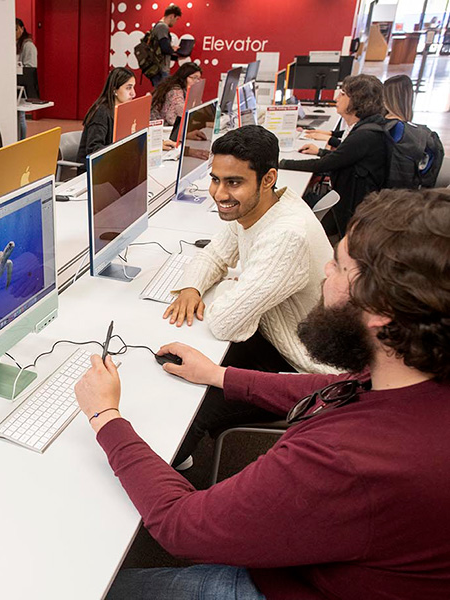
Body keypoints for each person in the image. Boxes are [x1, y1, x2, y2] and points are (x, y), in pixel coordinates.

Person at [74, 187, 450, 599]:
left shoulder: (351, 457)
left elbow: (181, 527)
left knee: (79, 587)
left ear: (382, 312)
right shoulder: (417, 374)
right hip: (327, 557)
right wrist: (218, 375)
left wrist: (105, 416)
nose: (325, 270)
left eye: (340, 267)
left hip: (288, 586)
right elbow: (334, 389)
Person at [163, 126, 335, 469]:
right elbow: (214, 255)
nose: (219, 193)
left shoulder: (286, 235)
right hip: (272, 337)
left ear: (268, 178)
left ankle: (166, 474)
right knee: (173, 360)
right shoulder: (257, 206)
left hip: (301, 366)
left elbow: (227, 323)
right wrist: (192, 288)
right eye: (216, 179)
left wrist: (236, 282)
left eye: (233, 182)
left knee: (187, 407)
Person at [281, 74, 389, 234]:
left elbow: (324, 164)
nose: (336, 98)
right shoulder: (365, 126)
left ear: (358, 100)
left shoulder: (365, 135)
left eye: (343, 94)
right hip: (350, 201)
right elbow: (344, 156)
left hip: (352, 211)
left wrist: (281, 162)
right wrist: (320, 151)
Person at [75, 67, 135, 170]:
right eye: (128, 88)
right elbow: (94, 149)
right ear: (114, 90)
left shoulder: (122, 110)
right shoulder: (101, 113)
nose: (133, 93)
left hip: (112, 166)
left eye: (133, 87)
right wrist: (121, 152)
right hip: (94, 171)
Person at [16, 17, 38, 140]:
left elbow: (31, 68)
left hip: (22, 86)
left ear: (22, 29)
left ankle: (21, 141)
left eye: (16, 29)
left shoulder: (28, 46)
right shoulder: (12, 44)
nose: (13, 33)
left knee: (20, 116)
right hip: (13, 85)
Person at [149, 4, 182, 87]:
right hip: (161, 68)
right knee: (162, 94)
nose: (176, 22)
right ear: (171, 16)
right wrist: (172, 50)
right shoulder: (163, 27)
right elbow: (165, 48)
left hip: (157, 67)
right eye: (176, 19)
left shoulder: (157, 26)